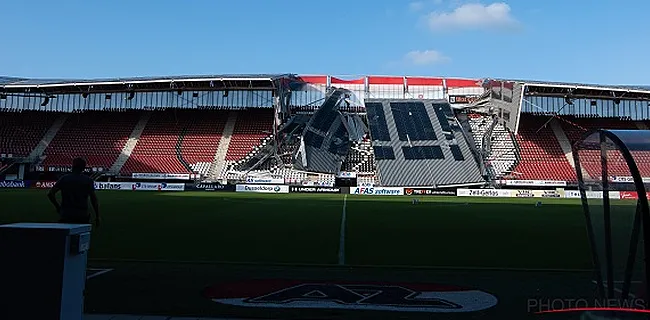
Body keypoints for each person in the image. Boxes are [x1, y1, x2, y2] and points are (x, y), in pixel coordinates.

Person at [47, 157, 100, 227]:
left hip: (66, 213)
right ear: (83, 168)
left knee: (65, 236)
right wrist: (97, 216)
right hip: (82, 213)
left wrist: (58, 207)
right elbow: (94, 199)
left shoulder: (64, 178)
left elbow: (50, 194)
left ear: (73, 166)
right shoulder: (88, 180)